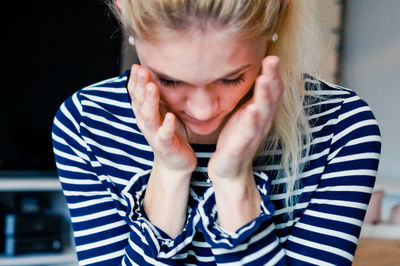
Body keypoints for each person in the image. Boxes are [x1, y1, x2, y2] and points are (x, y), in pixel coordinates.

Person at [52, 0, 381, 265]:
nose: (202, 110)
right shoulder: (87, 120)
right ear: (125, 15)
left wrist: (235, 181)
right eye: (170, 80)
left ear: (278, 15)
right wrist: (169, 172)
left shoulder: (340, 125)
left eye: (230, 78)